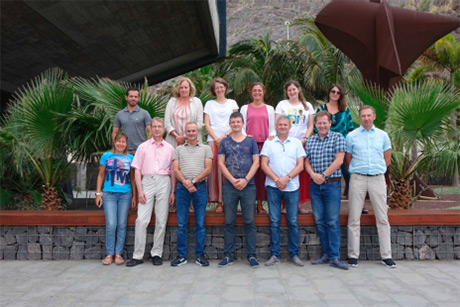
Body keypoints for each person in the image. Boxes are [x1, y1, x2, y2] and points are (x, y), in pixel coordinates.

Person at [345, 105, 396, 268]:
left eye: (369, 115)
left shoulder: (383, 136)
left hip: (377, 179)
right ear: (359, 118)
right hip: (358, 179)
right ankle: (353, 255)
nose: (366, 118)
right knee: (353, 218)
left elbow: (387, 159)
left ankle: (386, 256)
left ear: (373, 117)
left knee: (382, 217)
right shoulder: (351, 136)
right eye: (363, 116)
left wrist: (376, 170)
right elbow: (348, 159)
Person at [125, 118, 175, 267]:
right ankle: (138, 255)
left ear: (164, 129)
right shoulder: (143, 147)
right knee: (142, 220)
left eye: (160, 127)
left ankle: (156, 253)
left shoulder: (170, 148)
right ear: (150, 129)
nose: (157, 129)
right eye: (154, 127)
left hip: (164, 181)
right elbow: (137, 170)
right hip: (147, 181)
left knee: (161, 219)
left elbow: (173, 172)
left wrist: (172, 191)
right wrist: (140, 190)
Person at [305, 111, 348, 270]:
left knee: (332, 221)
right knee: (320, 221)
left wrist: (323, 175)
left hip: (332, 185)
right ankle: (326, 254)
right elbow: (306, 162)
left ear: (330, 123)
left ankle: (335, 257)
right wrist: (312, 175)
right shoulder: (310, 141)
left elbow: (339, 160)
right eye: (319, 123)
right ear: (315, 125)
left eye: (325, 123)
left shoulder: (338, 137)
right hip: (314, 185)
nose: (322, 126)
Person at [260, 115, 306, 267]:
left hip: (292, 187)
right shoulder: (269, 142)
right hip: (273, 187)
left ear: (290, 126)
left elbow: (300, 165)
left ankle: (294, 255)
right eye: (280, 124)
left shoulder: (296, 143)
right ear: (277, 126)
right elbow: (264, 164)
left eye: (285, 124)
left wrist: (286, 178)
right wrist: (276, 179)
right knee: (274, 221)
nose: (283, 127)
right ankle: (275, 255)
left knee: (292, 221)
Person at [218, 112, 260, 268]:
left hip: (248, 186)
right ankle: (228, 256)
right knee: (229, 221)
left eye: (238, 121)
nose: (235, 124)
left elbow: (256, 162)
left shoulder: (251, 141)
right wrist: (233, 180)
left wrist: (246, 180)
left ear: (243, 123)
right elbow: (221, 163)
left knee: (249, 221)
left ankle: (252, 256)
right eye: (233, 122)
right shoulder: (225, 142)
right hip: (230, 186)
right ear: (230, 124)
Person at [171, 122, 213, 267]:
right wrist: (186, 182)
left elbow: (208, 169)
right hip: (182, 188)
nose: (191, 133)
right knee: (182, 224)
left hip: (199, 188)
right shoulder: (179, 149)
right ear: (185, 132)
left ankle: (199, 255)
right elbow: (176, 169)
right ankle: (181, 256)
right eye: (188, 131)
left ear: (198, 132)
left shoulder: (206, 148)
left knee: (200, 223)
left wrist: (193, 181)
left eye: (193, 131)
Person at [96, 133, 137, 265]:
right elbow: (101, 175)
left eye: (123, 142)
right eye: (119, 141)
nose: (121, 144)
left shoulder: (130, 158)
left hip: (125, 194)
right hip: (109, 194)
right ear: (114, 142)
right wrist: (98, 193)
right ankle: (109, 254)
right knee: (111, 224)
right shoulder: (106, 156)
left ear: (126, 144)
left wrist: (134, 195)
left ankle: (118, 254)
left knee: (121, 224)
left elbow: (132, 178)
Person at [316, 84, 359, 209]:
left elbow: (350, 129)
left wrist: (351, 149)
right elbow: (316, 128)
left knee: (349, 175)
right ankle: (322, 204)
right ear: (329, 93)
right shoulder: (321, 108)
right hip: (324, 147)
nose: (335, 94)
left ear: (341, 95)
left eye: (338, 92)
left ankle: (357, 204)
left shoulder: (345, 110)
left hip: (342, 147)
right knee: (324, 174)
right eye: (333, 91)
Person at [275, 80, 315, 214]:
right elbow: (277, 124)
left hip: (301, 143)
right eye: (289, 90)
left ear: (298, 90)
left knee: (301, 173)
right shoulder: (282, 105)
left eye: (294, 89)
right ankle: (284, 204)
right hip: (285, 143)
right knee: (284, 171)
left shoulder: (307, 105)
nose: (292, 92)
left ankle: (299, 203)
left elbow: (310, 125)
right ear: (286, 92)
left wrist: (305, 139)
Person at [204, 78, 239, 213]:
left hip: (230, 139)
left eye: (221, 87)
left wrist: (224, 136)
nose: (219, 89)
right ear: (214, 90)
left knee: (230, 169)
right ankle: (218, 201)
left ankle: (229, 200)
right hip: (213, 140)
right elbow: (206, 124)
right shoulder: (209, 104)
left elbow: (236, 120)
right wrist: (216, 138)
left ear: (225, 88)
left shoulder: (232, 103)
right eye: (217, 87)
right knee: (215, 171)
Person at [240, 82, 275, 214]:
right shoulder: (245, 108)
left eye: (259, 90)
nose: (257, 93)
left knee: (262, 175)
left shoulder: (269, 109)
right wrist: (246, 136)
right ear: (251, 93)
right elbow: (242, 127)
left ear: (263, 92)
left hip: (264, 145)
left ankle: (260, 203)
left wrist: (271, 137)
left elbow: (272, 128)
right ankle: (248, 203)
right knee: (249, 173)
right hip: (249, 145)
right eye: (254, 91)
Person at [164, 77, 203, 148]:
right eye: (181, 88)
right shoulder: (171, 102)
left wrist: (185, 137)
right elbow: (167, 122)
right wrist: (177, 136)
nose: (183, 90)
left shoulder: (197, 102)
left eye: (186, 87)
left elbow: (199, 123)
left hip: (192, 140)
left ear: (190, 88)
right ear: (177, 89)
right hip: (174, 140)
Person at [112, 87, 152, 153]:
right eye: (131, 96)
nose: (133, 98)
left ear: (138, 98)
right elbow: (114, 132)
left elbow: (150, 131)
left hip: (140, 150)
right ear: (126, 97)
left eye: (135, 97)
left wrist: (146, 146)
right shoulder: (119, 114)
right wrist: (116, 147)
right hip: (124, 150)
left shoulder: (144, 113)